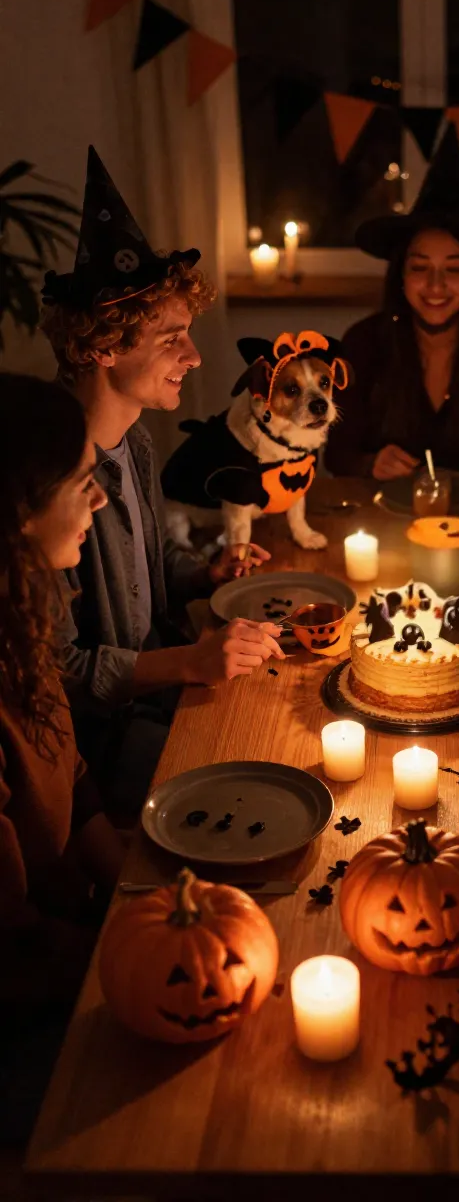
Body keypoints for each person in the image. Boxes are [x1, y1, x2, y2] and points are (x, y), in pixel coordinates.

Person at [39, 147, 283, 819]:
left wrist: (205, 572)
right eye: (172, 337)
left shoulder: (136, 441)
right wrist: (187, 664)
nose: (195, 356)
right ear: (104, 344)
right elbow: (64, 672)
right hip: (107, 751)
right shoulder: (49, 482)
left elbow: (153, 566)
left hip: (164, 696)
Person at [0, 375, 128, 1145]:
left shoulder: (23, 610)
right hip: (22, 1011)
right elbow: (9, 941)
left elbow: (71, 778)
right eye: (85, 483)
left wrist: (134, 896)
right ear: (21, 508)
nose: (101, 501)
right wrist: (129, 952)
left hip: (71, 930)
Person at [325, 126, 459, 483]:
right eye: (420, 267)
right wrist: (370, 464)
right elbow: (337, 455)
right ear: (400, 274)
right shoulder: (364, 341)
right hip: (384, 519)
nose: (436, 286)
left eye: (454, 269)